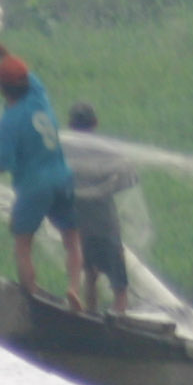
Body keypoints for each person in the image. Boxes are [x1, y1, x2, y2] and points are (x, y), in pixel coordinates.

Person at [0, 54, 87, 303]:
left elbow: (3, 164)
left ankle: (32, 296)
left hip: (34, 187)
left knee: (23, 245)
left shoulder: (7, 123)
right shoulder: (39, 96)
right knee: (71, 239)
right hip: (62, 179)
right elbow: (12, 59)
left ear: (2, 88)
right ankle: (73, 289)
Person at [62, 103, 137, 319]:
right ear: (95, 124)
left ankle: (90, 313)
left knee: (89, 271)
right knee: (116, 271)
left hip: (78, 216)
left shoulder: (64, 149)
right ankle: (119, 314)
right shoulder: (105, 150)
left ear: (71, 125)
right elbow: (127, 178)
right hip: (104, 218)